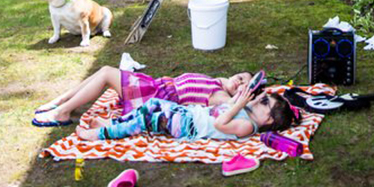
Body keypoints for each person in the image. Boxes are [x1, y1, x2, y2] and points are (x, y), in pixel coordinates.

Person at [32, 66, 252, 126]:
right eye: (240, 77)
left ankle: (62, 112)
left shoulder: (221, 96)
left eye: (243, 84)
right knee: (104, 72)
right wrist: (234, 82)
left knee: (107, 73)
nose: (238, 81)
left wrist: (242, 95)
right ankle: (61, 101)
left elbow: (231, 105)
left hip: (156, 96)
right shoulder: (218, 82)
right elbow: (227, 80)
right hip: (155, 85)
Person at [75, 86, 298, 142]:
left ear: (267, 119)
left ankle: (102, 135)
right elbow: (225, 107)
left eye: (264, 102)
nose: (259, 99)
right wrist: (237, 98)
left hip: (188, 126)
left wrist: (238, 105)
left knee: (147, 120)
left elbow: (221, 124)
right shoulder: (244, 110)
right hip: (188, 113)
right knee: (152, 104)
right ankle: (113, 123)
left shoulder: (248, 126)